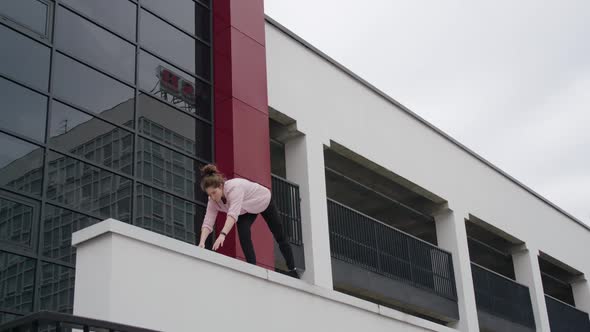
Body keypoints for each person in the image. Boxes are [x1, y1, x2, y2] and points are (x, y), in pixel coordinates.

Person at [197, 164, 299, 278]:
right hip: (245, 209)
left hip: (262, 200)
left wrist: (222, 234)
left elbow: (232, 215)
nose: (212, 197)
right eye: (209, 194)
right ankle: (252, 267)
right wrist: (202, 242)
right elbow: (208, 222)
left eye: (214, 192)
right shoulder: (212, 201)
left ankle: (292, 269)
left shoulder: (234, 188)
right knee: (243, 232)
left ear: (221, 186)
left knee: (279, 234)